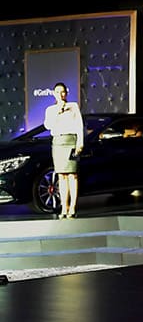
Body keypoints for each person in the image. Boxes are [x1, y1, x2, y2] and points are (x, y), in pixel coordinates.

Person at [43, 82, 85, 219]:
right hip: (58, 143)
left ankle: (72, 207)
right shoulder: (50, 110)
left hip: (71, 142)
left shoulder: (73, 106)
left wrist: (80, 143)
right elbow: (48, 125)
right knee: (62, 175)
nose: (61, 94)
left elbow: (79, 125)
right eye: (58, 92)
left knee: (73, 175)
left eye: (63, 92)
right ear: (54, 94)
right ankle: (64, 207)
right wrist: (58, 111)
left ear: (66, 93)